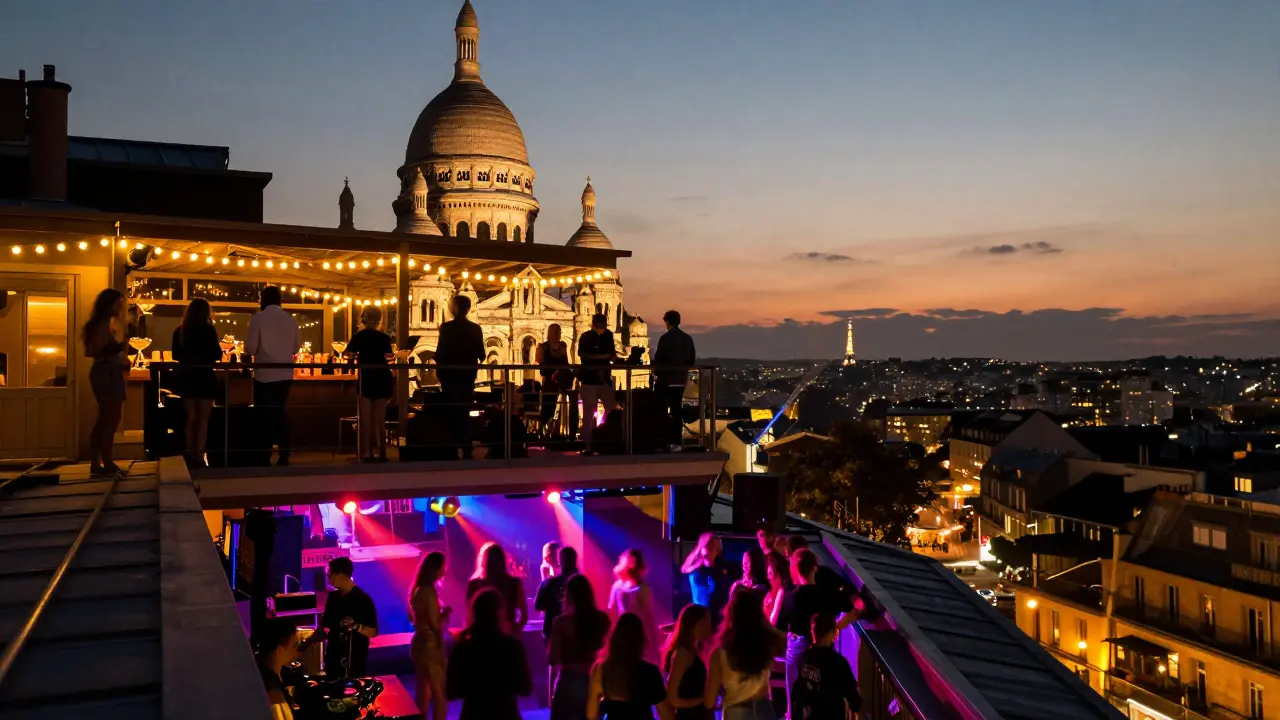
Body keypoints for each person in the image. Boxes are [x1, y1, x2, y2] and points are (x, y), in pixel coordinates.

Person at [777, 549, 859, 715]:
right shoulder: (825, 595)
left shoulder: (789, 597)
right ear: (814, 568)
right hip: (820, 649)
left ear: (795, 569)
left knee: (795, 696)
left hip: (795, 647)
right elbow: (852, 605)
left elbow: (781, 624)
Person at [447, 588, 533, 720]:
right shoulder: (512, 645)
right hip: (506, 713)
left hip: (473, 713)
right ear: (499, 613)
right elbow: (525, 689)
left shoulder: (463, 646)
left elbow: (450, 692)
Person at [704, 588, 784, 720]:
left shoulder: (721, 653)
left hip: (737, 712)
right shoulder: (766, 645)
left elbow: (709, 701)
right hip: (764, 710)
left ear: (731, 613)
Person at [245, 286, 300, 466]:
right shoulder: (290, 320)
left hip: (264, 374)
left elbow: (250, 349)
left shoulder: (258, 319)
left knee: (264, 415)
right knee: (278, 411)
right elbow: (295, 348)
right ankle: (284, 452)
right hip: (285, 374)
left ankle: (264, 453)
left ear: (263, 299)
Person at [302, 556, 378, 678]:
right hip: (333, 662)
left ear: (340, 575)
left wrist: (356, 626)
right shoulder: (333, 598)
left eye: (330, 575)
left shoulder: (362, 599)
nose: (329, 579)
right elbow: (324, 627)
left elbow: (373, 631)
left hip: (353, 664)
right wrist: (306, 642)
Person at [549, 574, 611, 720]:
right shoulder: (601, 620)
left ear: (568, 595)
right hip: (591, 681)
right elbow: (608, 653)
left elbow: (553, 658)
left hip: (567, 681)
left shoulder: (561, 623)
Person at [587, 612, 669, 720]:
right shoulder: (650, 672)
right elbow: (665, 713)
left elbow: (591, 714)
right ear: (641, 640)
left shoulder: (601, 670)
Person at [171, 297, 223, 467]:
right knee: (203, 420)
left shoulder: (181, 330)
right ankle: (200, 455)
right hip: (205, 376)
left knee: (190, 418)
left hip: (187, 377)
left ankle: (188, 452)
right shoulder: (209, 330)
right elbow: (217, 354)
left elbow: (175, 355)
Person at [83, 289, 129, 476]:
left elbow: (90, 350)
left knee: (105, 418)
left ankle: (97, 462)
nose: (121, 307)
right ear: (110, 304)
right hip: (107, 373)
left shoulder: (97, 324)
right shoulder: (102, 325)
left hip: (104, 372)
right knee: (110, 418)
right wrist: (120, 347)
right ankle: (106, 462)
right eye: (119, 303)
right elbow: (96, 350)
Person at [434, 294, 484, 458]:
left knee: (451, 410)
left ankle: (453, 446)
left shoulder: (446, 327)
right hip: (467, 375)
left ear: (455, 307)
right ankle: (466, 446)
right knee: (464, 410)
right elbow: (481, 354)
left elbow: (441, 351)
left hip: (450, 375)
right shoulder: (475, 329)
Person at [790, 613, 861, 720]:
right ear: (834, 633)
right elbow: (855, 700)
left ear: (812, 632)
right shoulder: (838, 663)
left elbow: (796, 692)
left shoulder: (803, 659)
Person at [347, 305, 395, 462]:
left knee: (365, 419)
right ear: (380, 319)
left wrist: (356, 356)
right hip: (382, 379)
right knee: (379, 420)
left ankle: (366, 453)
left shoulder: (359, 336)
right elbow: (389, 357)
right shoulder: (384, 338)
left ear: (363, 318)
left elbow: (347, 353)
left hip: (366, 378)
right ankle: (382, 452)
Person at [409, 551, 450, 720]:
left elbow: (414, 618)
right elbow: (435, 623)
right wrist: (446, 613)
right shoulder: (429, 592)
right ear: (435, 569)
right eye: (443, 566)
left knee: (422, 694)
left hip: (419, 644)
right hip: (431, 646)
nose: (445, 570)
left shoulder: (417, 591)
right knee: (439, 694)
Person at [651, 310, 696, 448]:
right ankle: (677, 440)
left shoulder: (665, 338)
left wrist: (657, 372)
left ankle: (662, 439)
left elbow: (660, 359)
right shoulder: (687, 339)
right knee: (677, 411)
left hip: (666, 380)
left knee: (661, 409)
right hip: (680, 380)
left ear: (667, 322)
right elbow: (691, 360)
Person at [607, 549, 660, 664]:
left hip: (631, 636)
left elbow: (611, 611)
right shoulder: (620, 587)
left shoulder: (638, 588)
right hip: (630, 636)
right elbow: (647, 617)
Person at [662, 604, 713, 720]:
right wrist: (701, 700)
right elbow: (672, 698)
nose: (707, 628)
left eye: (708, 624)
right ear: (691, 625)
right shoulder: (682, 653)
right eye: (702, 625)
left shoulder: (694, 650)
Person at [576, 313, 616, 456]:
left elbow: (611, 354)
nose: (602, 329)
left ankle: (609, 443)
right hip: (591, 380)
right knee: (588, 416)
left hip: (603, 380)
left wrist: (602, 357)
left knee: (612, 412)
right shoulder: (586, 337)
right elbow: (583, 355)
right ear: (594, 324)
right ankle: (588, 446)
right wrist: (603, 357)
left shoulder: (608, 335)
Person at [466, 541, 528, 633]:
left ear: (483, 560)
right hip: (506, 635)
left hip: (481, 636)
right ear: (503, 560)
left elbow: (469, 616)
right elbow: (524, 616)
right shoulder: (514, 583)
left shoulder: (474, 584)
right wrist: (515, 633)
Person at [256, 617, 300, 720]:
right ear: (279, 649)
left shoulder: (261, 676)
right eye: (293, 645)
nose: (296, 652)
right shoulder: (273, 691)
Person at [681, 533, 730, 621]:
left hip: (714, 613)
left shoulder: (719, 568)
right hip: (700, 612)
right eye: (710, 546)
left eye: (715, 548)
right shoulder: (697, 569)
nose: (714, 550)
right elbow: (684, 569)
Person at [536, 544, 579, 643]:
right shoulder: (581, 582)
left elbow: (538, 605)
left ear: (561, 560)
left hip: (554, 629)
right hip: (573, 631)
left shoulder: (550, 582)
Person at [536, 323, 571, 436]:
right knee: (548, 407)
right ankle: (544, 431)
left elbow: (566, 364)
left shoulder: (563, 346)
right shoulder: (543, 347)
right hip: (549, 383)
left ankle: (558, 432)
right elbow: (542, 367)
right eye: (556, 331)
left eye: (559, 331)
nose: (558, 334)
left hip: (562, 382)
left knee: (562, 407)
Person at [763, 552, 789, 627]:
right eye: (768, 574)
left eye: (771, 574)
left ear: (779, 575)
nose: (769, 578)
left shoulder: (781, 591)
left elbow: (772, 622)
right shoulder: (769, 592)